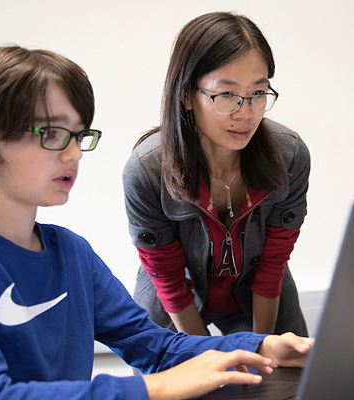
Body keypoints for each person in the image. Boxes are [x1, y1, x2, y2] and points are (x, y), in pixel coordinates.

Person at [0, 45, 313, 399]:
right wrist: (152, 390)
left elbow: (159, 348)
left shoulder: (70, 253)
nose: (72, 154)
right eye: (51, 134)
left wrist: (262, 344)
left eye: (78, 135)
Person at [123, 11, 311, 337]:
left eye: (258, 93)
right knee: (175, 384)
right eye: (226, 95)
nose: (246, 112)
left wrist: (261, 349)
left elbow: (273, 265)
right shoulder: (146, 170)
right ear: (186, 96)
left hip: (258, 296)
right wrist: (208, 357)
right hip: (173, 301)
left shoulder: (289, 156)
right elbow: (167, 277)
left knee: (288, 380)